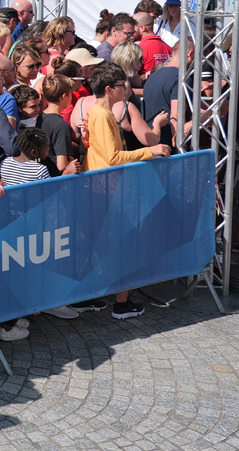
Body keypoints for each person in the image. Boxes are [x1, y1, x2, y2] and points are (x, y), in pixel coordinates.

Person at [82, 63, 169, 319]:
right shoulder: (103, 114)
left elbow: (99, 153)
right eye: (122, 85)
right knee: (123, 245)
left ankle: (104, 297)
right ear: (109, 89)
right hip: (109, 190)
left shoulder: (98, 113)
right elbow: (112, 157)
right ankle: (121, 304)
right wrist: (149, 151)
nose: (127, 88)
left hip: (104, 188)